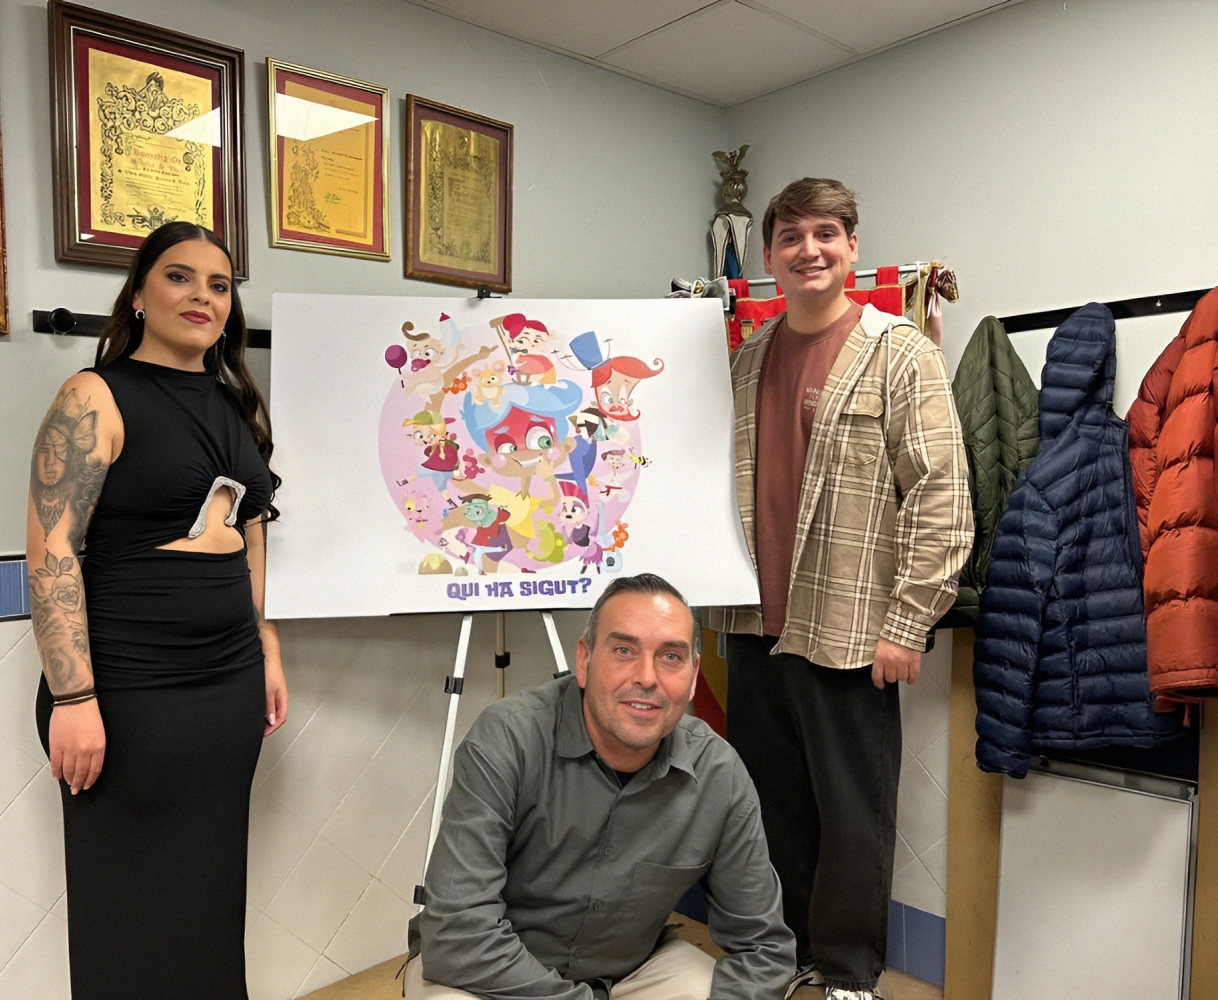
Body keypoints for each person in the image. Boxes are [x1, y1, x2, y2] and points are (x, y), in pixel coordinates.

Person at [708, 178, 972, 1000]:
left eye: (825, 233)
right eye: (790, 236)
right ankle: (784, 953)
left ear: (852, 247)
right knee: (770, 806)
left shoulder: (900, 352)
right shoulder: (746, 360)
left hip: (852, 628)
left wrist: (908, 622)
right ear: (769, 254)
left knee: (852, 813)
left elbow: (940, 495)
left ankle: (850, 971)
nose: (808, 250)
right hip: (752, 625)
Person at [27, 221, 287, 999]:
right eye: (179, 276)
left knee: (208, 900)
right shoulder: (93, 396)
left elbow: (249, 531)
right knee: (129, 910)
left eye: (219, 284)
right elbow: (51, 550)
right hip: (127, 689)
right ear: (139, 294)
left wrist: (265, 643)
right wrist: (73, 697)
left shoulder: (236, 404)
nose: (202, 295)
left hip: (226, 684)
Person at [407, 573, 796, 999]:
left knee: (708, 988)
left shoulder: (719, 773)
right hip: (490, 975)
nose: (647, 677)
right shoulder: (508, 739)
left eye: (670, 656)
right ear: (584, 660)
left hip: (630, 972)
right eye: (624, 650)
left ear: (692, 676)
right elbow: (459, 934)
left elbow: (764, 948)